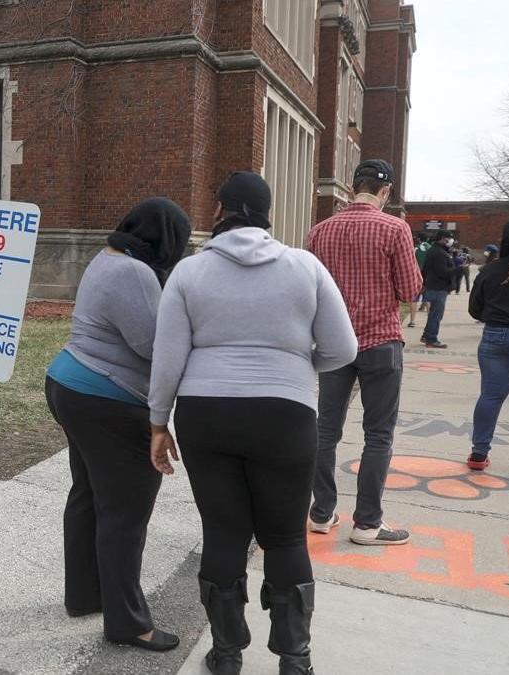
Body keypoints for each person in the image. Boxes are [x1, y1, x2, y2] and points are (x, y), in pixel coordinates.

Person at [149, 172, 358, 675]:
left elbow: (167, 357)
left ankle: (226, 655)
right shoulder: (304, 267)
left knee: (223, 533)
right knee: (286, 537)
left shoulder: (189, 273)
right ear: (266, 214)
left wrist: (158, 422)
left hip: (206, 414)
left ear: (221, 210)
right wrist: (294, 365)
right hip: (284, 415)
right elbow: (343, 349)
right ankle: (294, 658)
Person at [45, 198, 191, 652]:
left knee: (88, 497)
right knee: (124, 513)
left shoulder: (107, 258)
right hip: (106, 400)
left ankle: (85, 596)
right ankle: (127, 623)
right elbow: (155, 345)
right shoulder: (134, 273)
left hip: (70, 386)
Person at [306, 159, 423, 547]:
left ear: (354, 186)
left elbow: (311, 292)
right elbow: (410, 290)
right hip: (380, 343)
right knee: (377, 435)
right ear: (384, 191)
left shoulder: (320, 231)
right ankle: (367, 523)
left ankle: (322, 512)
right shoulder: (395, 229)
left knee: (326, 430)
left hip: (335, 345)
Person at [466, 219, 509, 471]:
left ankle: (479, 453)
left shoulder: (489, 271)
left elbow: (474, 309)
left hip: (496, 336)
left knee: (491, 395)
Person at [421, 231, 456, 348]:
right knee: (436, 315)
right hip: (438, 288)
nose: (451, 241)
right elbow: (443, 273)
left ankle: (426, 335)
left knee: (433, 314)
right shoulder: (440, 253)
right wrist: (458, 269)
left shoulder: (433, 250)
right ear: (442, 239)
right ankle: (431, 339)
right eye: (449, 239)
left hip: (432, 286)